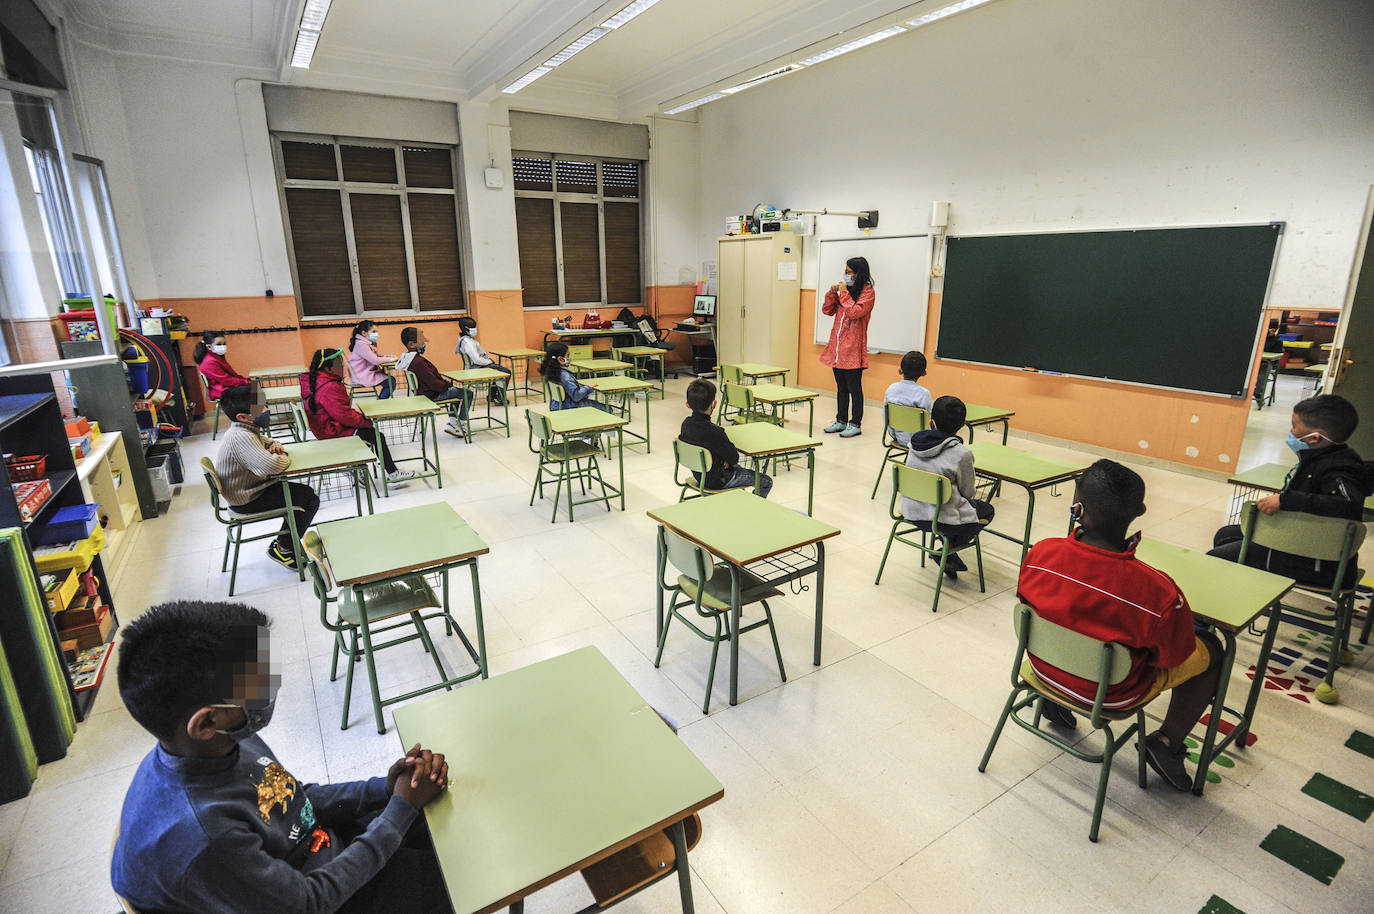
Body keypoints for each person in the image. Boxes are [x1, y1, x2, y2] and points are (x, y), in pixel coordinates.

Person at [110, 600, 454, 913]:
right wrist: (400, 809)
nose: (270, 688)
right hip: (311, 897)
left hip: (309, 856)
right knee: (459, 878)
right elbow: (309, 902)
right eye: (254, 684)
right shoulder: (201, 836)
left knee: (446, 816)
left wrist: (385, 789)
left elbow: (292, 799)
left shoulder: (216, 743)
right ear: (206, 721)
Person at [1018, 459, 1223, 791]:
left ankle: (1055, 702)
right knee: (1213, 648)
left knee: (1071, 621)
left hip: (1042, 670)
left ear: (1077, 508)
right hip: (1112, 696)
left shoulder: (1041, 553)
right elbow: (1171, 658)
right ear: (1140, 511)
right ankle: (1167, 742)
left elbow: (1031, 607)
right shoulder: (1158, 592)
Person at [1209, 394, 1372, 586]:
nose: (1291, 431)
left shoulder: (1340, 467)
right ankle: (1239, 588)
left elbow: (1348, 505)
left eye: (1295, 425)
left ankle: (1214, 606)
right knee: (1226, 534)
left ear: (1314, 438)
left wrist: (1286, 501)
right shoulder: (1320, 456)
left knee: (1214, 559)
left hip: (1316, 561)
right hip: (1304, 543)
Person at [214, 385, 319, 570]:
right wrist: (282, 455)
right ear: (243, 417)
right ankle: (284, 548)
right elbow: (273, 466)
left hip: (248, 489)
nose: (266, 410)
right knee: (308, 499)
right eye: (260, 408)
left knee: (302, 494)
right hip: (247, 499)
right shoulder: (242, 437)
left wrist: (275, 447)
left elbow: (269, 442)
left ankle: (283, 543)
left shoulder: (245, 429)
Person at [901, 395, 994, 580]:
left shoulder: (914, 445)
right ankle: (947, 550)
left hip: (911, 512)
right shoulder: (962, 453)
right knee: (986, 510)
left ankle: (947, 550)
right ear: (962, 426)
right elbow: (968, 493)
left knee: (955, 504)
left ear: (931, 422)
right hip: (942, 520)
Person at [300, 349, 415, 487]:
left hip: (326, 429)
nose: (343, 367)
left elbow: (342, 412)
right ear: (328, 368)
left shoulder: (321, 381)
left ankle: (355, 467)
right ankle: (393, 475)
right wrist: (365, 421)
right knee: (377, 436)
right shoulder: (328, 387)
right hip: (332, 432)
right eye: (339, 364)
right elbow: (344, 415)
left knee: (369, 432)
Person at [679, 378, 773, 497]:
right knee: (766, 482)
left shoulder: (686, 425)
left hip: (699, 475)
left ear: (687, 403)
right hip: (719, 481)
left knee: (738, 468)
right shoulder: (715, 432)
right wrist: (725, 462)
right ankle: (752, 510)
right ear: (714, 404)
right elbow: (734, 458)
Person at [820, 256, 876, 438]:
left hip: (853, 351)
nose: (845, 276)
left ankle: (855, 423)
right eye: (845, 272)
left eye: (849, 272)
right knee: (841, 388)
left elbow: (854, 312)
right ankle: (841, 420)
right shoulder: (846, 291)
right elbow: (827, 310)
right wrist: (831, 293)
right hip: (837, 350)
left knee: (854, 389)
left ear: (858, 274)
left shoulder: (867, 292)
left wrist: (843, 294)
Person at [397, 326, 472, 438]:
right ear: (412, 345)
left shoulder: (408, 359)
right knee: (467, 393)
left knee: (456, 392)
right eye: (421, 341)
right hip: (430, 396)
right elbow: (434, 384)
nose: (424, 343)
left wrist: (447, 385)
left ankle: (452, 423)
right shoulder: (419, 362)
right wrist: (447, 384)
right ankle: (461, 425)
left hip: (423, 394)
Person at [454, 316, 510, 406]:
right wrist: (489, 362)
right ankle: (499, 398)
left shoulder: (464, 339)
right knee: (506, 372)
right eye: (472, 327)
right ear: (466, 328)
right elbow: (477, 359)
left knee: (498, 370)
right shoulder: (467, 342)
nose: (475, 329)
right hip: (477, 368)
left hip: (476, 366)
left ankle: (493, 396)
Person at [883, 350, 932, 447]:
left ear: (900, 370)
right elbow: (928, 422)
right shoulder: (924, 394)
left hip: (897, 438)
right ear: (924, 373)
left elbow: (886, 417)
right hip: (919, 442)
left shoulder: (891, 389)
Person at [542, 341, 607, 412]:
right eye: (568, 356)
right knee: (608, 409)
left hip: (556, 405)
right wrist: (589, 387)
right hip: (570, 406)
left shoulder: (551, 371)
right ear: (561, 359)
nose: (570, 358)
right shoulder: (565, 376)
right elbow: (576, 396)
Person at [347, 320, 397, 400]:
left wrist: (386, 356)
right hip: (361, 376)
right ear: (364, 333)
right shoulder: (361, 345)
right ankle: (381, 402)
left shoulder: (365, 343)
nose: (376, 334)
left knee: (391, 380)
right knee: (391, 382)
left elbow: (375, 356)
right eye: (374, 331)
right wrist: (390, 359)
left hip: (363, 374)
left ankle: (381, 401)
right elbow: (375, 360)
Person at [195, 330, 252, 401]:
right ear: (209, 347)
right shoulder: (210, 362)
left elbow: (231, 375)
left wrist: (245, 380)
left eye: (224, 344)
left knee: (255, 387)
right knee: (254, 391)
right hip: (219, 390)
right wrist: (245, 382)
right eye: (219, 344)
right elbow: (226, 380)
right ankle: (259, 411)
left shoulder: (217, 357)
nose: (222, 346)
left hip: (224, 387)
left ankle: (259, 410)